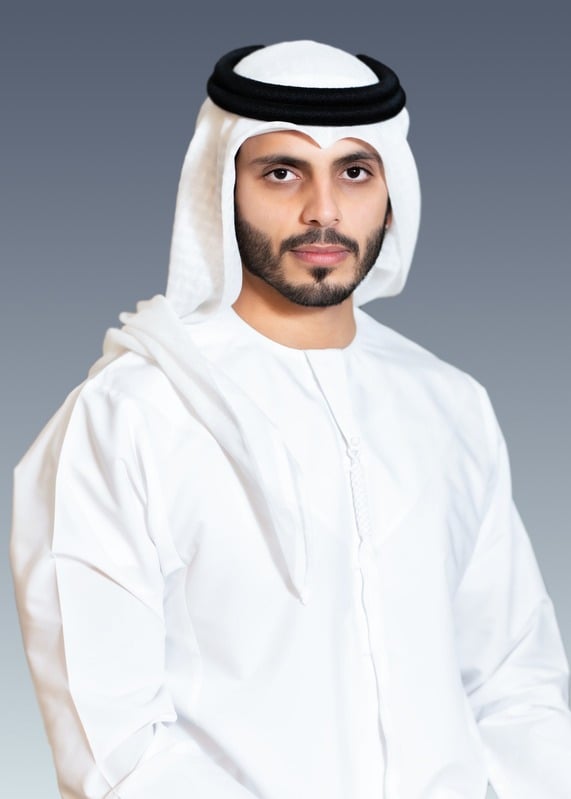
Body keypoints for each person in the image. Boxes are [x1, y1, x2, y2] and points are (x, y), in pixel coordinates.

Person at [10, 40, 571, 799]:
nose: (323, 210)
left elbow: (515, 682)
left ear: (391, 193)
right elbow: (116, 745)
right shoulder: (130, 414)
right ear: (222, 186)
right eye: (282, 172)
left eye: (354, 172)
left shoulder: (450, 404)